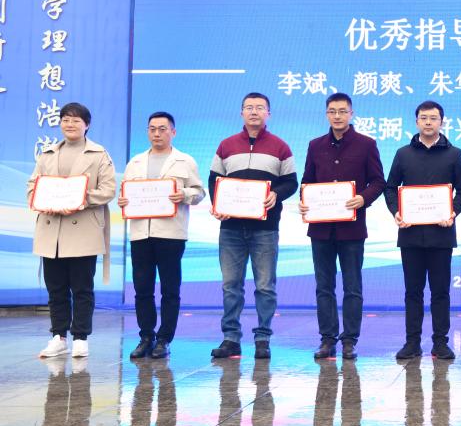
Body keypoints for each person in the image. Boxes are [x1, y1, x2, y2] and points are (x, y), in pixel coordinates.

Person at [209, 93, 297, 360]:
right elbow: (214, 180)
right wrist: (217, 204)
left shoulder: (281, 147)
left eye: (260, 108)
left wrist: (276, 194)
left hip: (265, 228)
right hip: (231, 228)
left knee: (265, 286)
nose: (254, 112)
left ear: (268, 113)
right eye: (249, 107)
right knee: (230, 285)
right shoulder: (226, 145)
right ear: (241, 113)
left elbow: (291, 182)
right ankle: (230, 338)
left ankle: (262, 338)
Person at [300, 92, 385, 360]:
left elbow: (378, 181)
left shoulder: (366, 144)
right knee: (323, 286)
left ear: (351, 113)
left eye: (342, 111)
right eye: (332, 111)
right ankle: (327, 339)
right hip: (321, 229)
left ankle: (349, 340)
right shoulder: (315, 145)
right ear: (327, 114)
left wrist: (363, 198)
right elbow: (307, 182)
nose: (337, 116)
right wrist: (304, 201)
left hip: (352, 228)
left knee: (352, 286)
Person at [384, 100, 461, 361]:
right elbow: (390, 188)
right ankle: (412, 343)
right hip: (410, 234)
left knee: (440, 292)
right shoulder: (403, 154)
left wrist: (453, 211)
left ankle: (440, 343)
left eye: (433, 118)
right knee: (413, 292)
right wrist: (396, 211)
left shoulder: (454, 154)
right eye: (424, 118)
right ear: (416, 121)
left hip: (441, 235)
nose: (428, 122)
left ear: (441, 122)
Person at [30, 102, 116, 359]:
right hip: (52, 230)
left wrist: (79, 199)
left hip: (83, 230)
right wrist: (42, 200)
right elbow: (32, 186)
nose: (70, 124)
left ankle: (80, 337)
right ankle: (58, 337)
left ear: (86, 125)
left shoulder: (99, 154)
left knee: (81, 288)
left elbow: (108, 190)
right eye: (66, 119)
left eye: (76, 120)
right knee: (55, 288)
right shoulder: (47, 154)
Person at [119, 111, 206, 360]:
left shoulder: (184, 161)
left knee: (170, 289)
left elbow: (199, 192)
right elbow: (126, 194)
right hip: (140, 233)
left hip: (171, 234)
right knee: (142, 288)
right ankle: (146, 337)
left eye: (162, 129)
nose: (157, 133)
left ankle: (164, 339)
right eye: (152, 129)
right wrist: (124, 201)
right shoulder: (135, 162)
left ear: (173, 132)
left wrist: (184, 195)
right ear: (147, 132)